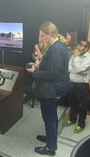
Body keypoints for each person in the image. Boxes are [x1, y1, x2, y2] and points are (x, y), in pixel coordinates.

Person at [26, 21, 71, 156]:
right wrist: (39, 66)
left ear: (49, 34)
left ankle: (50, 148)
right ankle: (51, 138)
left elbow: (52, 74)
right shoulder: (57, 46)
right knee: (51, 117)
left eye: (42, 35)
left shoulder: (56, 49)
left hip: (52, 89)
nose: (40, 38)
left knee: (49, 118)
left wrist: (34, 72)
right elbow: (52, 67)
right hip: (56, 87)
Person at [64, 40, 90, 133]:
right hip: (71, 83)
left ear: (86, 49)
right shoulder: (73, 55)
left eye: (82, 45)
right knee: (72, 103)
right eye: (79, 44)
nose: (79, 47)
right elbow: (69, 68)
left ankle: (81, 124)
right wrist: (80, 71)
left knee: (82, 106)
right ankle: (72, 119)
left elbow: (77, 68)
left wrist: (77, 60)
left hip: (82, 85)